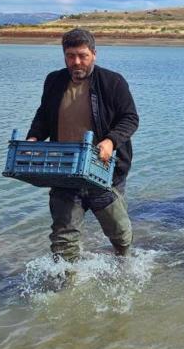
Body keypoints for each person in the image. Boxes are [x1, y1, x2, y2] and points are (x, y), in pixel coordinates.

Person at [26, 28, 139, 262]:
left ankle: (125, 262)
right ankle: (65, 285)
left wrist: (110, 140)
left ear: (94, 54)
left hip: (104, 170)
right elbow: (43, 116)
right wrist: (33, 138)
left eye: (82, 55)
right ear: (64, 55)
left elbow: (130, 118)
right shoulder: (54, 80)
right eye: (70, 56)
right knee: (63, 239)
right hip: (64, 170)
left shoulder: (113, 82)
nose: (76, 62)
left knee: (119, 233)